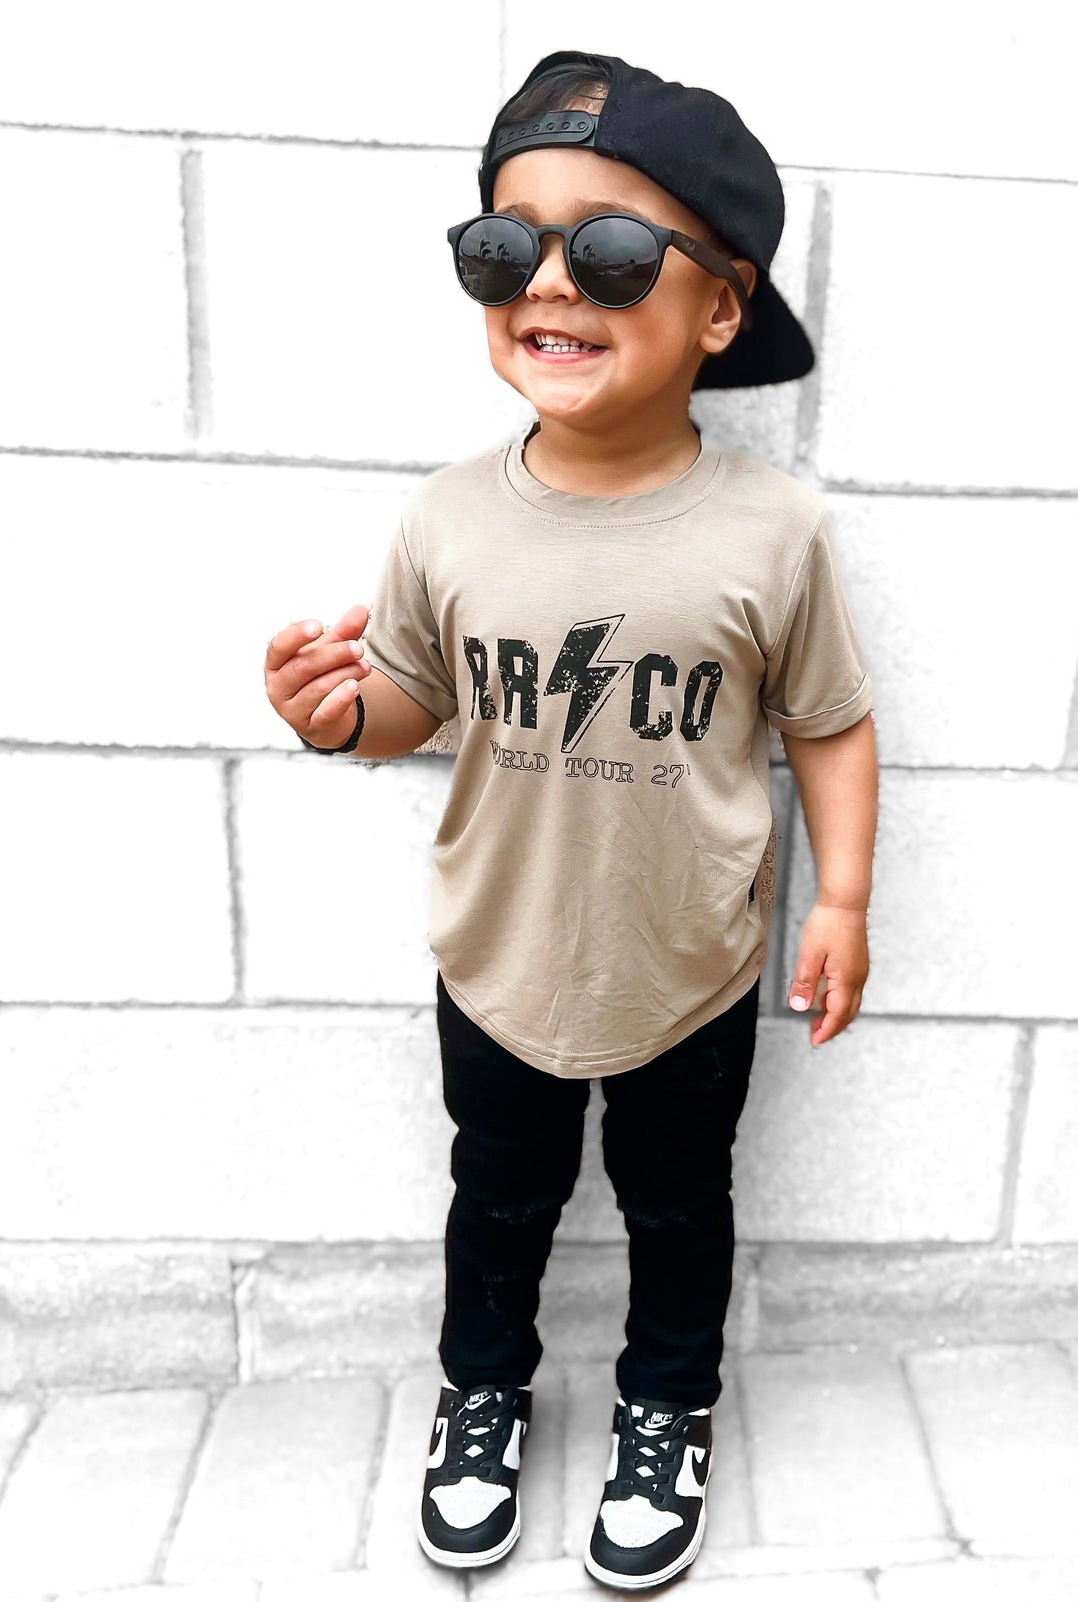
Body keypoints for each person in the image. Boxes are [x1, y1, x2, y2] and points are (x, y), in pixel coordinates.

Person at [262, 48, 878, 1592]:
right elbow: (413, 696)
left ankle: (666, 1404)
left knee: (679, 1202)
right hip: (498, 955)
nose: (547, 280)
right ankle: (482, 1390)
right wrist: (336, 714)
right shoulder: (447, 516)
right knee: (497, 1194)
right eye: (503, 246)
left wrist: (841, 898)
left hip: (690, 962)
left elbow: (827, 719)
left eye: (607, 250)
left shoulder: (772, 532)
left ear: (718, 310)